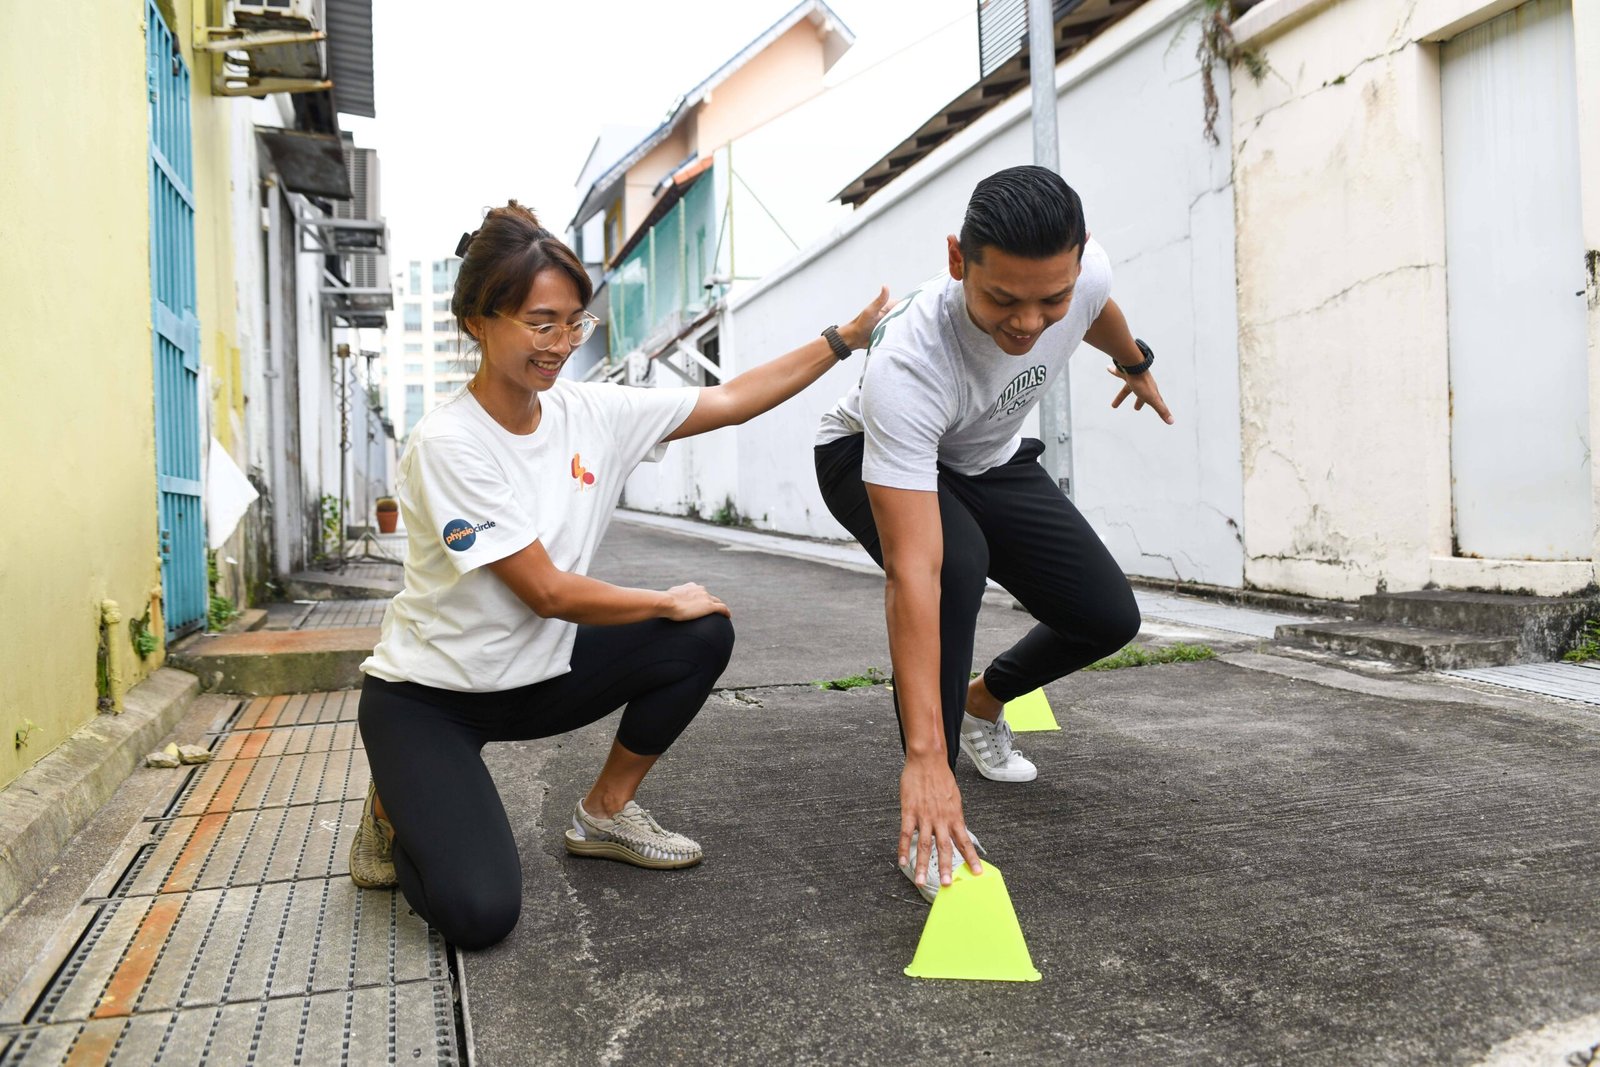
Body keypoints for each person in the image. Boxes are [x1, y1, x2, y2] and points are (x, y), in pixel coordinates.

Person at [351, 201, 889, 950]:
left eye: (576, 323)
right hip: (430, 700)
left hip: (536, 676)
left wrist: (841, 341)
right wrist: (659, 598)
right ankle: (393, 806)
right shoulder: (448, 442)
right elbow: (544, 590)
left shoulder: (588, 411)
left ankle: (605, 813)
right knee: (479, 914)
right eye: (542, 323)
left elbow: (729, 400)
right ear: (478, 319)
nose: (562, 344)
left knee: (701, 631)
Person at [813, 165, 1172, 900]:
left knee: (1107, 615)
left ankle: (985, 701)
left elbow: (1095, 306)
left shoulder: (1083, 276)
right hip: (866, 453)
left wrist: (1132, 362)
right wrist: (924, 758)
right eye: (1003, 299)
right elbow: (913, 573)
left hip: (985, 455)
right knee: (955, 563)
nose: (1031, 322)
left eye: (1052, 299)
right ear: (957, 260)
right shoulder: (910, 363)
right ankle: (933, 811)